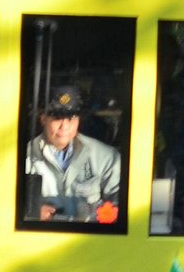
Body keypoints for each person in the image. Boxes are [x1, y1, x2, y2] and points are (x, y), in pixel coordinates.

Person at [25, 84, 121, 224]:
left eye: (71, 118)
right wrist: (30, 211)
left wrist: (99, 217)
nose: (65, 126)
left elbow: (123, 205)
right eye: (57, 118)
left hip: (91, 240)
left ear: (78, 120)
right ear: (43, 118)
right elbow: (3, 203)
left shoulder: (106, 157)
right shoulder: (24, 157)